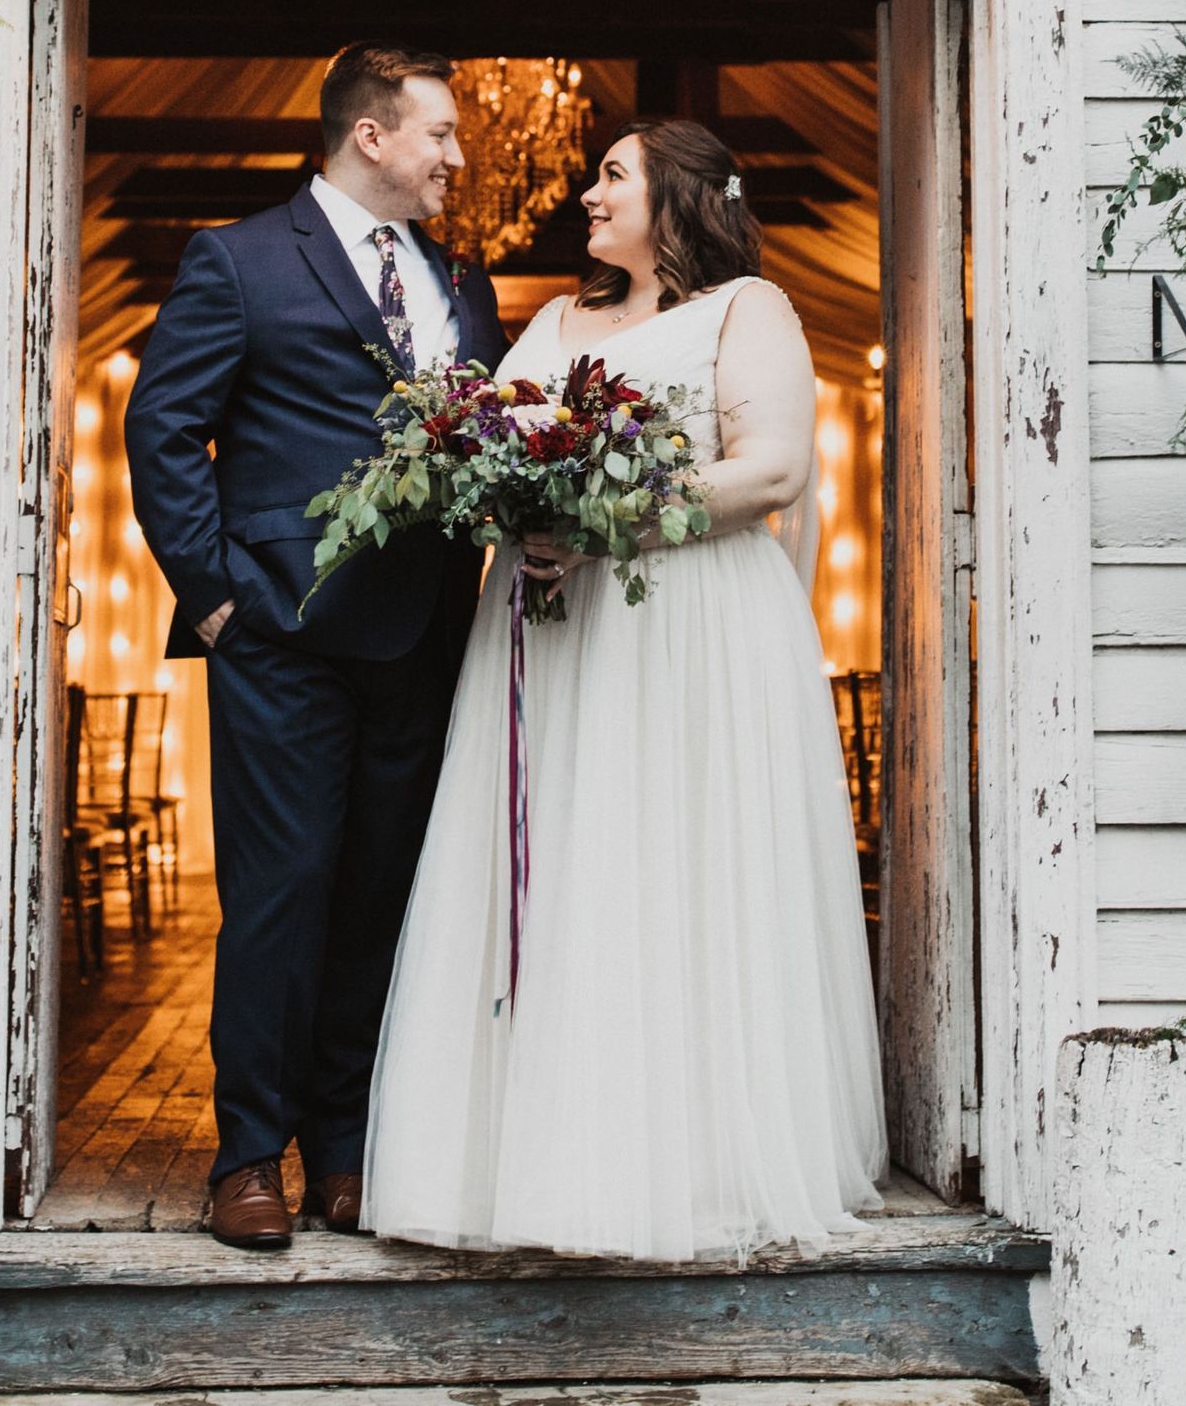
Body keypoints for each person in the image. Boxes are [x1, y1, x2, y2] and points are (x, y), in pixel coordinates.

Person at [362, 118, 888, 1260]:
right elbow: (483, 444)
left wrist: (608, 524)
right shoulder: (554, 320)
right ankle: (531, 1166)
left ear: (681, 197)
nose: (588, 195)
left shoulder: (750, 311)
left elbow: (776, 469)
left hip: (686, 626)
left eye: (611, 176)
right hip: (552, 631)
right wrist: (523, 515)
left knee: (675, 866)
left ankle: (693, 1165)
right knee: (563, 871)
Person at [126, 42, 508, 1250]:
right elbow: (162, 429)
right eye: (440, 134)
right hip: (279, 637)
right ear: (371, 136)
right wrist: (218, 597)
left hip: (426, 634)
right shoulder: (237, 261)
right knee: (280, 896)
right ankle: (249, 1155)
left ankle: (346, 1149)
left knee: (382, 895)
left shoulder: (460, 280)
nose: (457, 157)